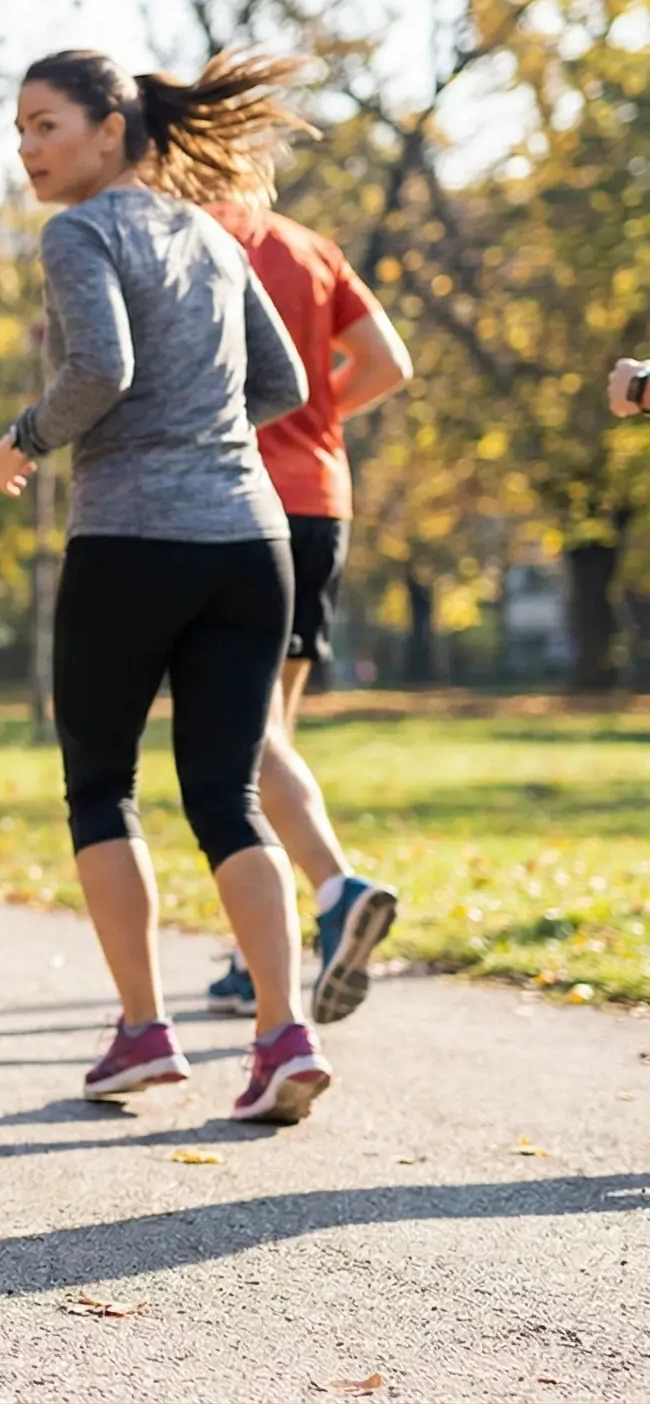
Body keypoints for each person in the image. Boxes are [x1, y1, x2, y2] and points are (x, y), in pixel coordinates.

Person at [0, 48, 328, 1125]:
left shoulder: (80, 232)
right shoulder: (214, 236)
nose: (27, 149)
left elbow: (102, 369)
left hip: (133, 540)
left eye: (46, 124)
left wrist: (26, 436)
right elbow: (283, 383)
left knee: (102, 786)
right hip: (251, 542)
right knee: (227, 796)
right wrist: (203, 433)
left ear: (110, 129)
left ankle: (144, 1032)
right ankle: (283, 1035)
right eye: (19, 130)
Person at [193, 193, 413, 1024]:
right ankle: (260, 957)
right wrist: (314, 416)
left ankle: (336, 890)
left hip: (236, 500)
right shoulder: (313, 250)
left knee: (241, 736)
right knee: (267, 735)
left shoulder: (187, 236)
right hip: (322, 499)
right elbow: (387, 363)